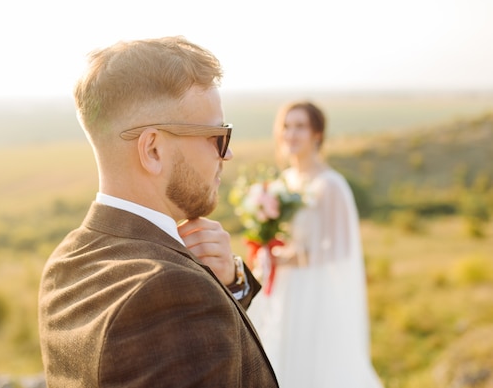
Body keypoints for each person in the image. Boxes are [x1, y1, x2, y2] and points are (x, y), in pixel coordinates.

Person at [38, 36, 278, 387]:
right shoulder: (174, 293)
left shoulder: (66, 262)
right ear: (152, 149)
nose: (226, 155)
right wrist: (200, 288)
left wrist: (226, 286)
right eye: (217, 137)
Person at [247, 101, 383, 387]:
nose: (291, 134)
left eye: (300, 127)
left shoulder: (330, 185)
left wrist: (290, 258)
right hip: (284, 287)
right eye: (286, 126)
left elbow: (340, 249)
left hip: (314, 290)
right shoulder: (284, 181)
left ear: (317, 134)